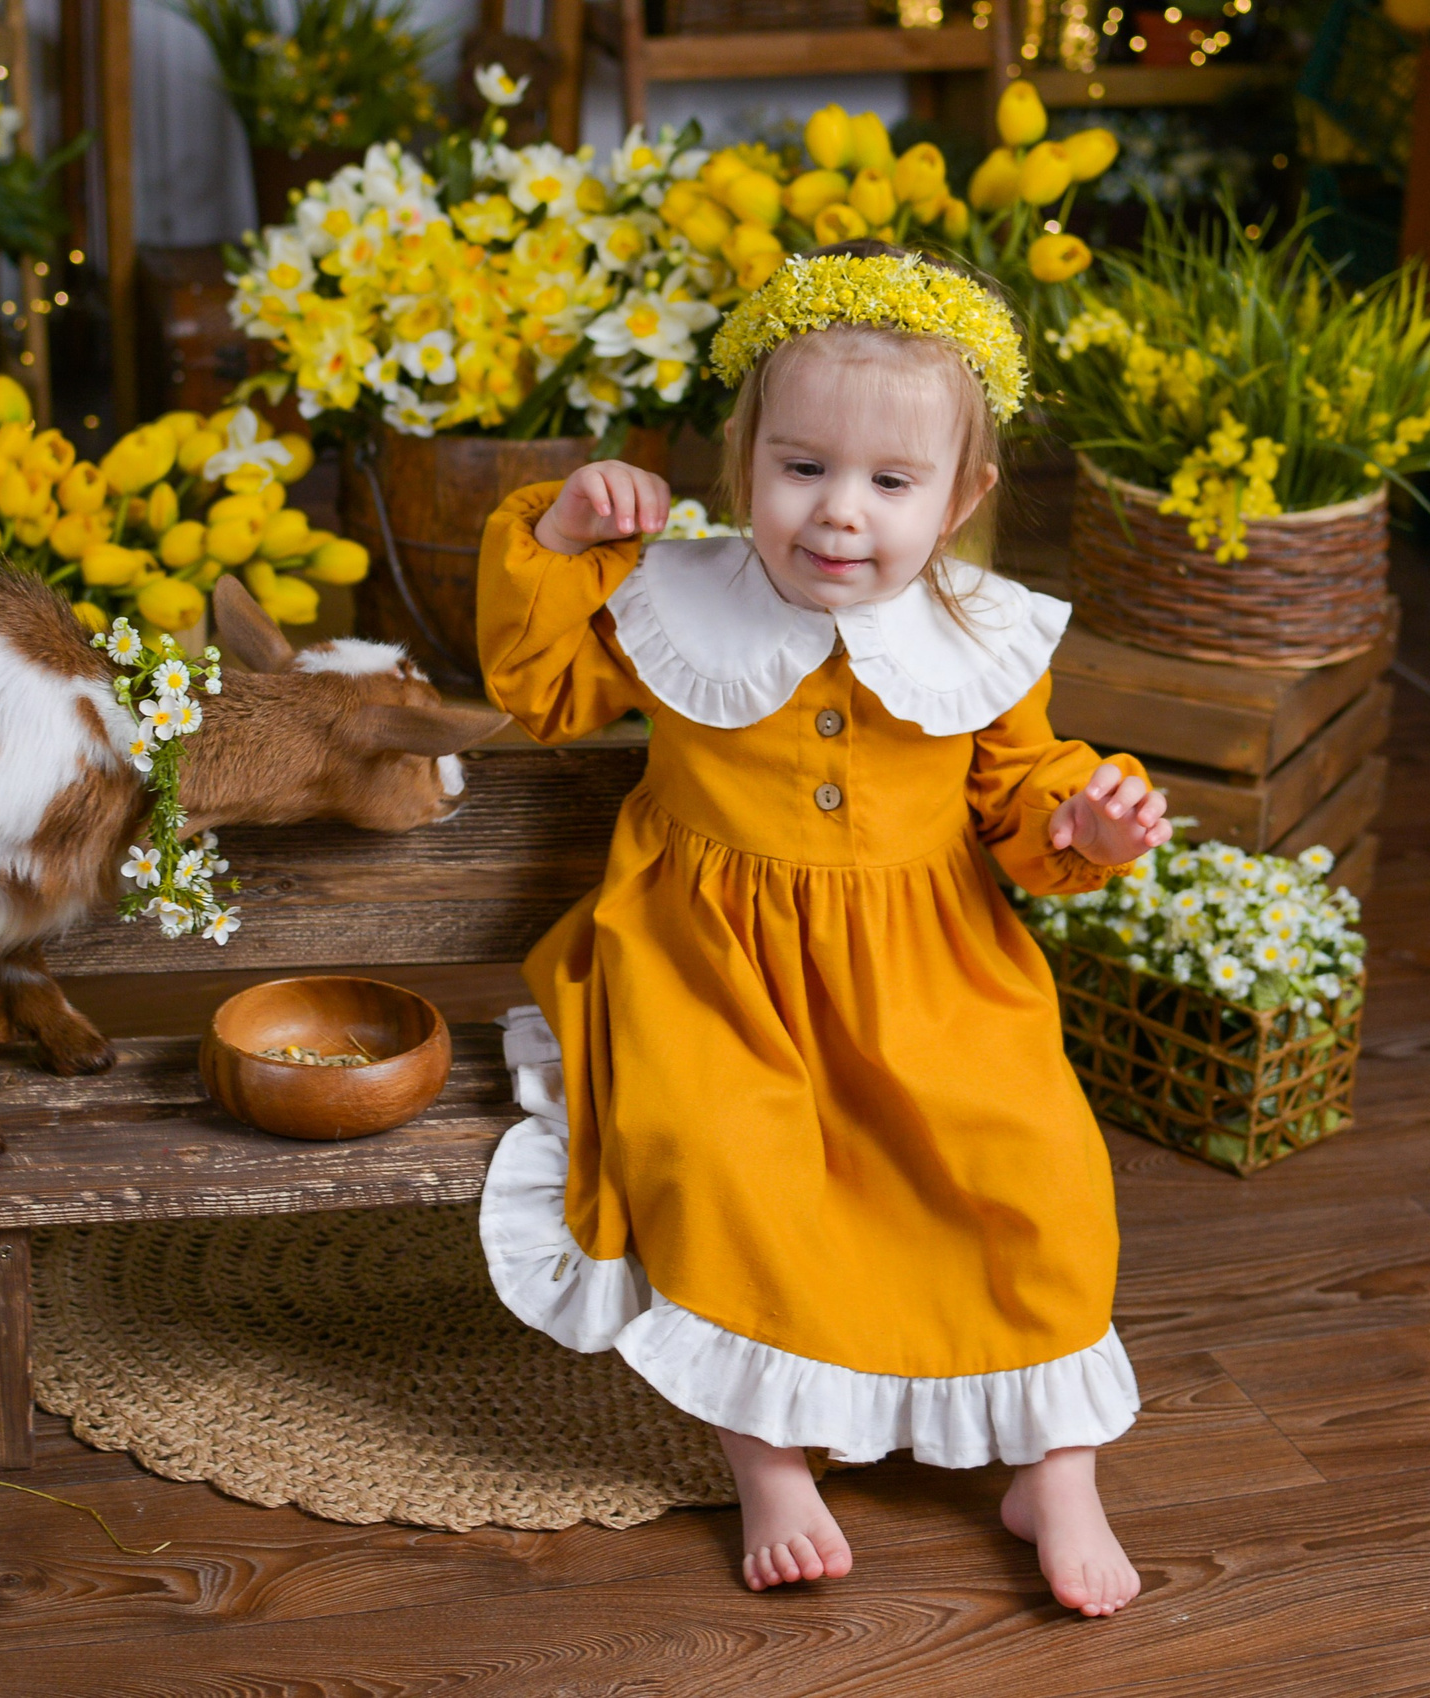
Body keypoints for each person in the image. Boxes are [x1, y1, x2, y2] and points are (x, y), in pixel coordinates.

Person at [475, 242, 1169, 1617]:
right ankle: (770, 1455)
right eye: (802, 468)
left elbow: (1017, 798)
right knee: (725, 1163)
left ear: (961, 497)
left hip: (932, 969)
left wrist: (1083, 827)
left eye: (890, 482)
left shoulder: (980, 633)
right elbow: (540, 689)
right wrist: (558, 538)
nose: (838, 514)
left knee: (1036, 1164)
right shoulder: (673, 595)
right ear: (745, 463)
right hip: (708, 962)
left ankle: (1059, 1466)